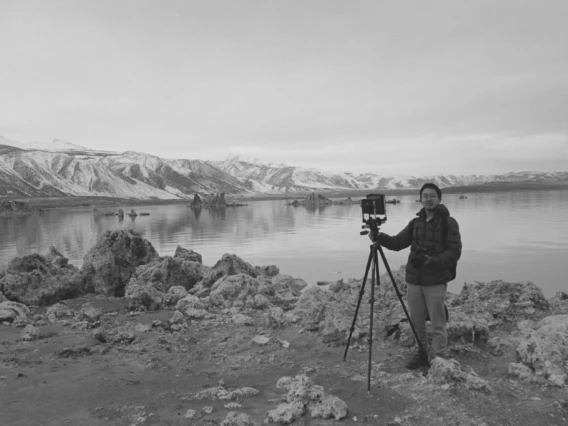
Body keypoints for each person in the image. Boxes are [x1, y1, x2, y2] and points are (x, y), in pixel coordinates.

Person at [373, 183, 462, 369]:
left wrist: (432, 261)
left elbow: (454, 252)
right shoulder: (415, 223)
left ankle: (439, 358)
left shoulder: (449, 223)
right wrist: (379, 237)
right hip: (414, 280)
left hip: (436, 281)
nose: (428, 199)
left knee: (438, 322)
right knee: (416, 321)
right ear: (420, 199)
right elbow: (398, 243)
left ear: (439, 198)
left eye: (432, 196)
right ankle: (422, 353)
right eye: (425, 196)